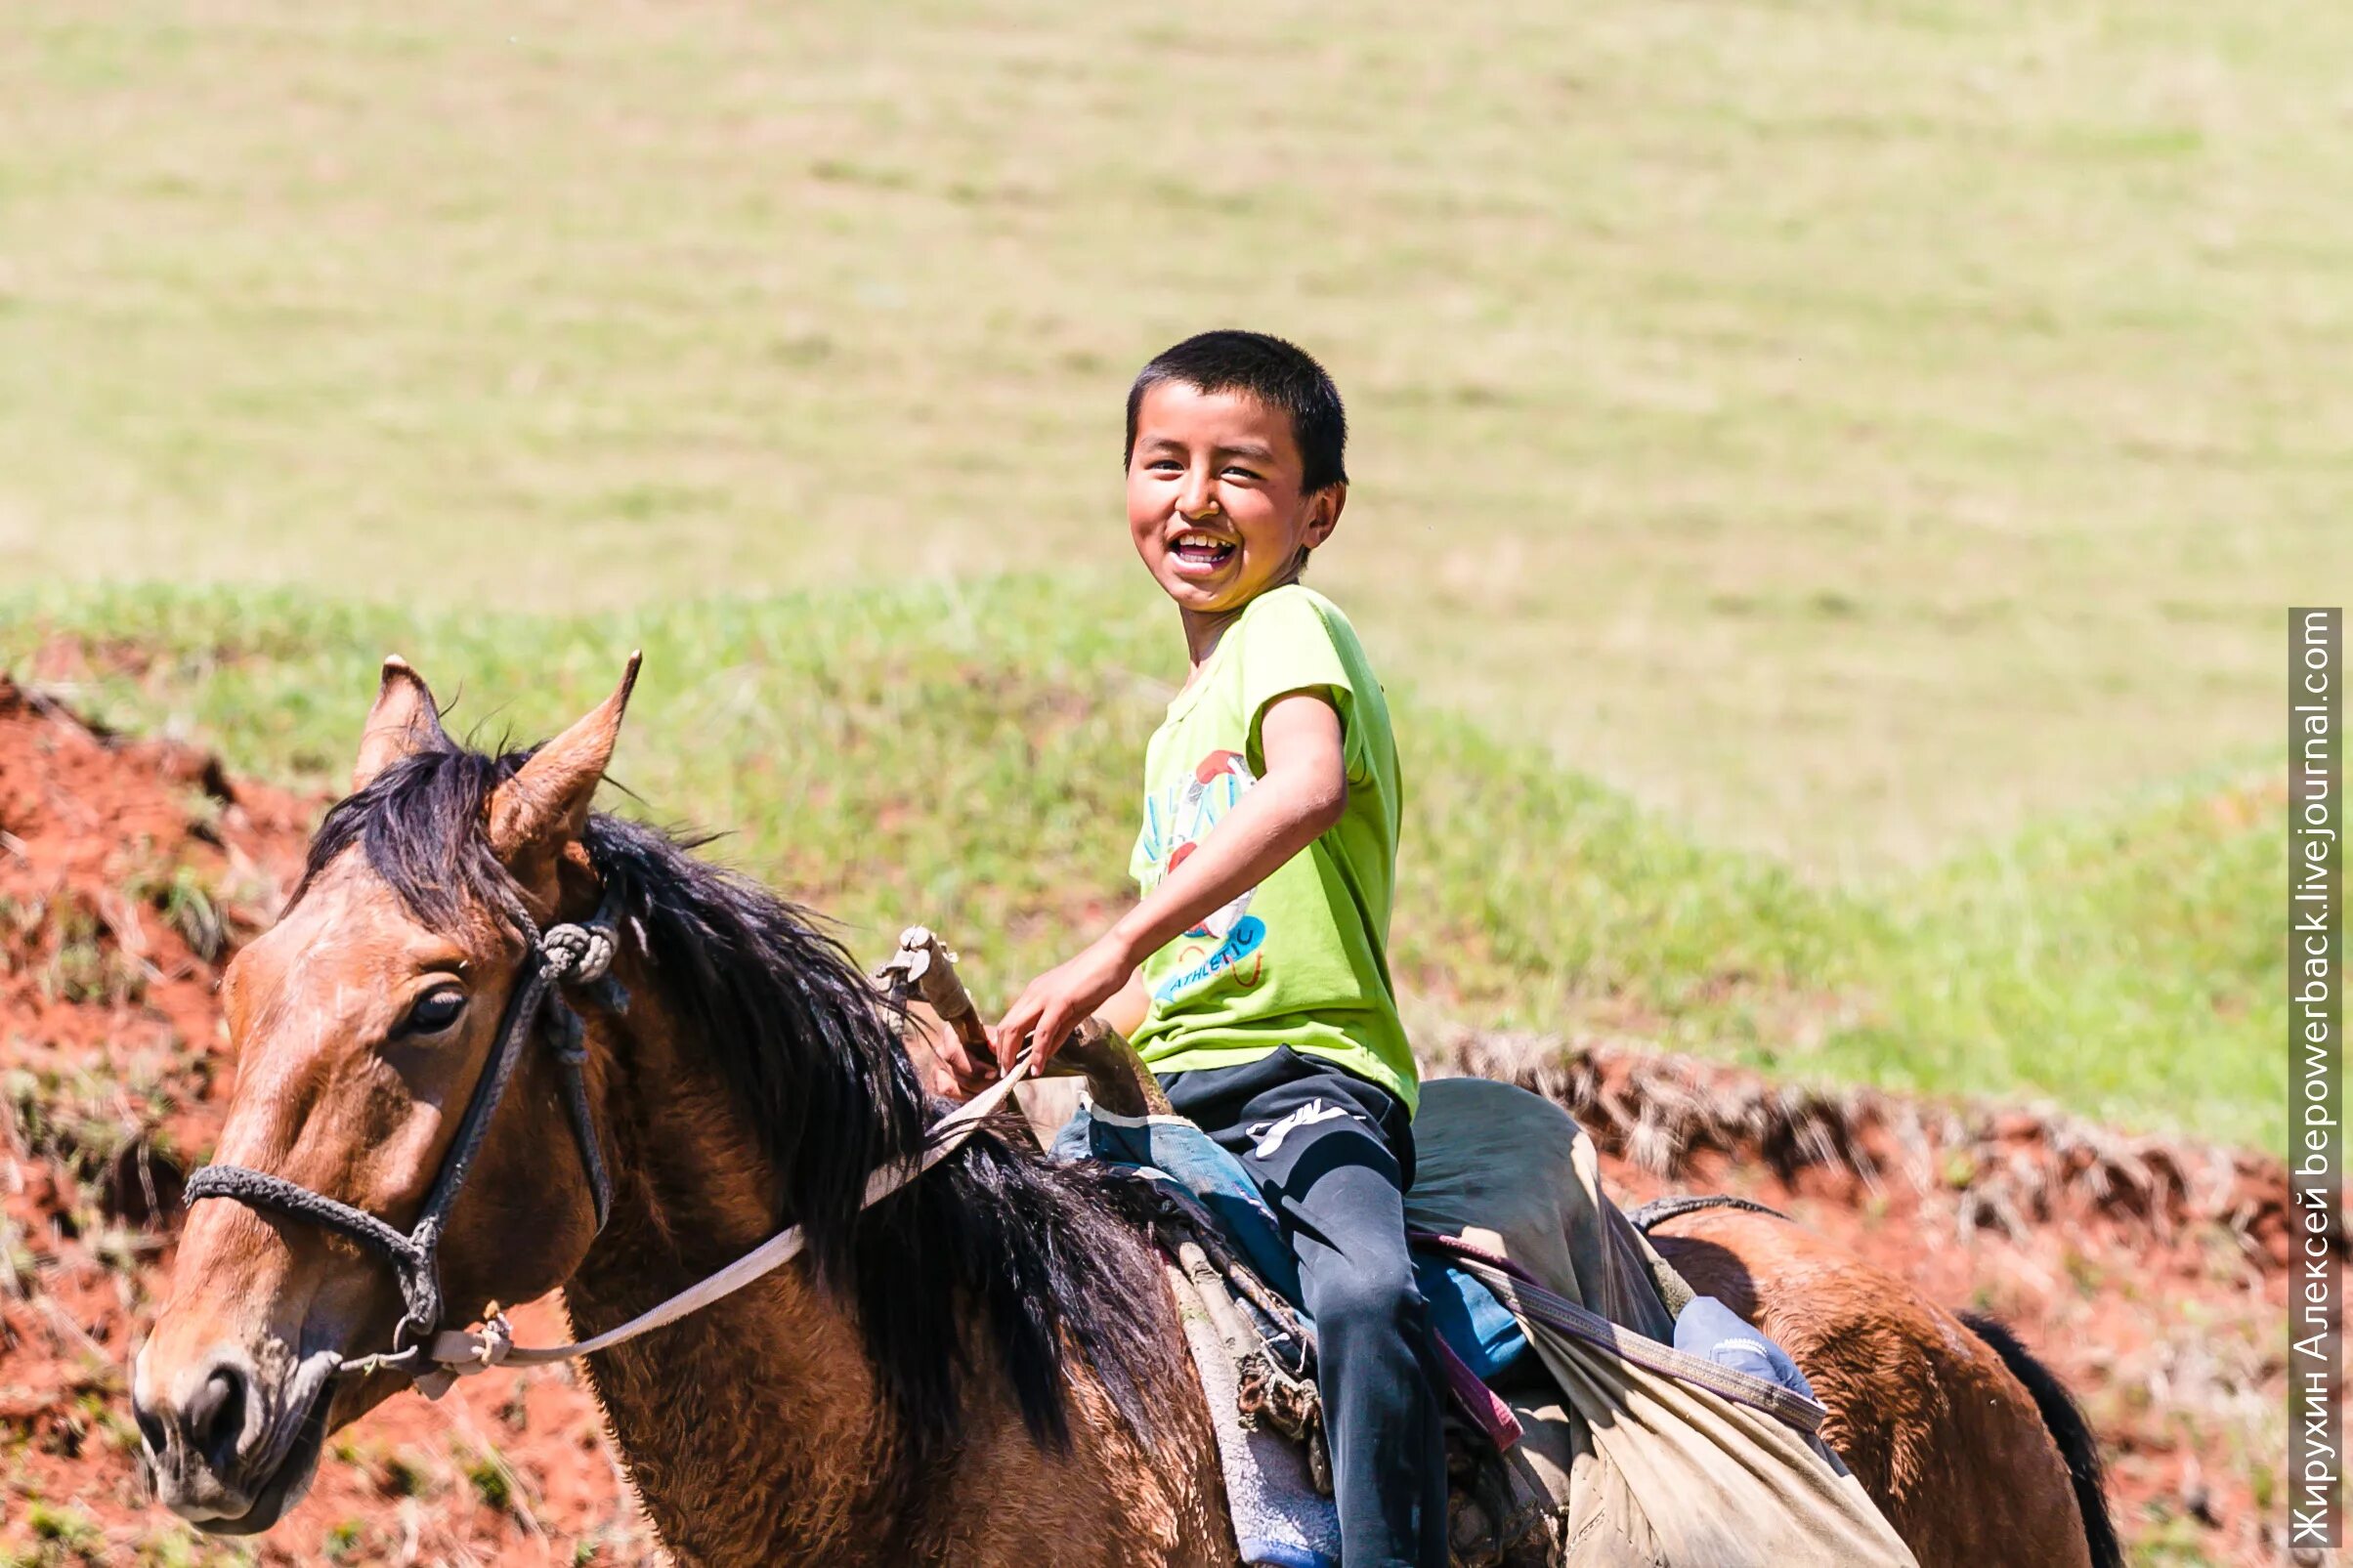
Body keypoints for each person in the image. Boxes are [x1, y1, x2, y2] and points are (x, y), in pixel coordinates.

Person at [989, 330, 1447, 1567]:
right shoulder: (1177, 732)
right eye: (1161, 463)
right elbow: (1187, 972)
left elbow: (1303, 790)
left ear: (1318, 513)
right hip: (1175, 1094)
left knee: (1363, 1294)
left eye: (1239, 471)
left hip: (1306, 1077)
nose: (1193, 499)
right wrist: (1040, 1040)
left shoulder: (1291, 630)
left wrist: (1108, 945)